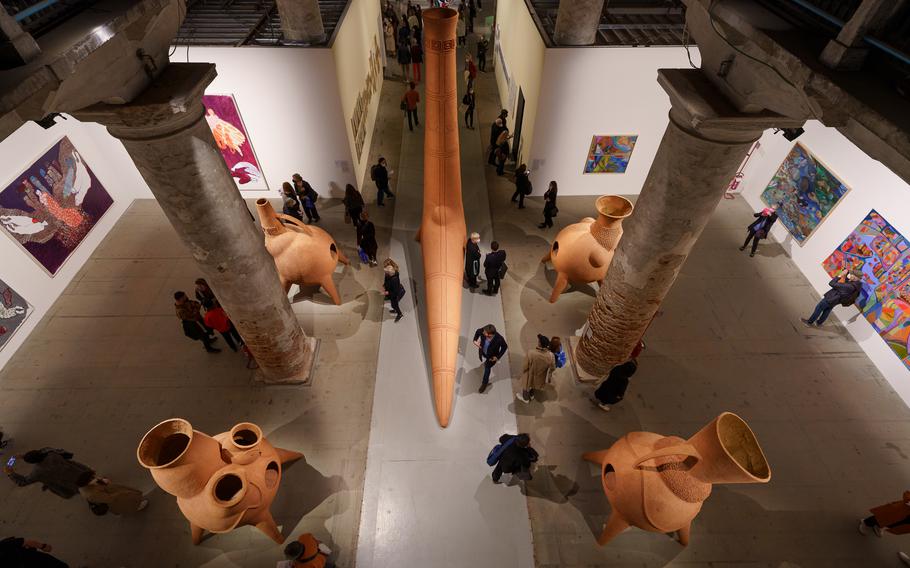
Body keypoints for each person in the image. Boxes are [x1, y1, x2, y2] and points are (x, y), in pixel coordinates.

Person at [4, 447, 94, 498]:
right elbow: (63, 453)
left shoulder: (37, 472)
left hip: (72, 484)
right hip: (80, 471)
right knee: (91, 481)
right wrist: (25, 456)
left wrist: (11, 473)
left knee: (86, 491)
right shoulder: (52, 454)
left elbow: (24, 481)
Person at [78, 472, 148, 516]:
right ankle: (137, 506)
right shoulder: (92, 494)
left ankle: (133, 504)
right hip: (115, 499)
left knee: (128, 497)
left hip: (113, 491)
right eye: (91, 479)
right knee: (127, 503)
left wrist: (102, 480)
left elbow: (96, 480)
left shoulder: (86, 486)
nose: (93, 478)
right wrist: (120, 493)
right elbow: (109, 499)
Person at [516, 334, 556, 403]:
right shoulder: (551, 355)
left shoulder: (531, 353)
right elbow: (553, 367)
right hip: (540, 376)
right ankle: (531, 395)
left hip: (530, 374)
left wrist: (522, 372)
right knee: (534, 385)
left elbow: (525, 366)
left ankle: (526, 399)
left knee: (526, 386)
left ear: (539, 343)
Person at [473, 324, 508, 393]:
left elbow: (504, 347)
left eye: (484, 332)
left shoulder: (499, 339)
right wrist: (475, 340)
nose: (483, 332)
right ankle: (485, 361)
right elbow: (478, 331)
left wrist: (497, 357)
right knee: (485, 363)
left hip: (491, 357)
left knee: (487, 369)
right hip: (483, 352)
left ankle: (484, 383)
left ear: (490, 335)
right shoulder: (484, 331)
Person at [0, 536, 68, 568]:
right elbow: (26, 543)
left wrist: (43, 546)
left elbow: (26, 543)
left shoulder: (3, 545)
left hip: (35, 559)